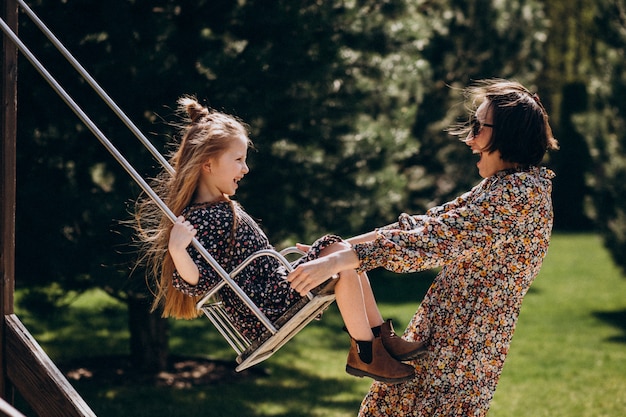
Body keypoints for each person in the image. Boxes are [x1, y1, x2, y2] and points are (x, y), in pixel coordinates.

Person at [287, 79, 560, 416]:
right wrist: (342, 247)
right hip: (442, 339)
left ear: (507, 134)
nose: (469, 139)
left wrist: (342, 260)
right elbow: (423, 225)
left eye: (479, 127)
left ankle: (369, 349)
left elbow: (432, 242)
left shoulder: (518, 196)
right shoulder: (503, 187)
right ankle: (372, 347)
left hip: (460, 352)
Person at [135, 96, 425, 384]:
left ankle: (381, 340)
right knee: (343, 266)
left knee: (343, 251)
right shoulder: (199, 220)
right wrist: (177, 248)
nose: (245, 169)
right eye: (238, 160)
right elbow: (196, 281)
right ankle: (366, 354)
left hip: (275, 288)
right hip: (264, 305)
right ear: (208, 164)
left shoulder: (221, 207)